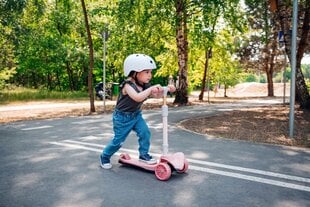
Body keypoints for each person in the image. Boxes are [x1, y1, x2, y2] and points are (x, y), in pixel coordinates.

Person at [100, 54, 175, 169]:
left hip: (136, 115)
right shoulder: (127, 85)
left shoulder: (144, 85)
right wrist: (151, 89)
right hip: (122, 118)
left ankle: (143, 155)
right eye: (146, 72)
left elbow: (156, 96)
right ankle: (105, 156)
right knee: (118, 141)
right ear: (134, 71)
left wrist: (166, 89)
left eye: (150, 72)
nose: (150, 75)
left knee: (145, 133)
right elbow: (137, 97)